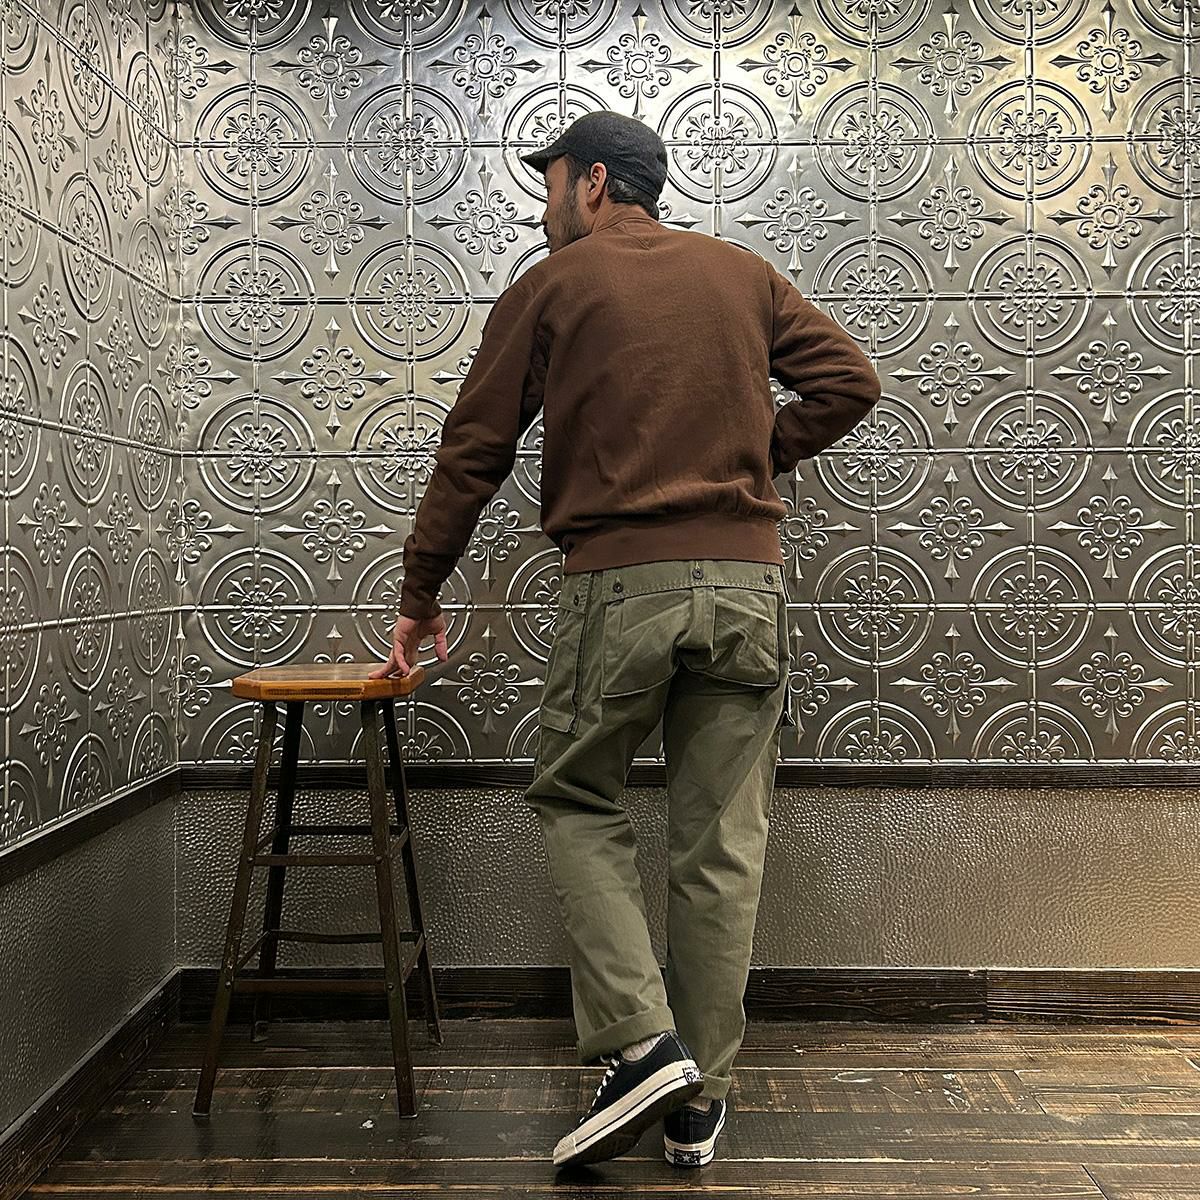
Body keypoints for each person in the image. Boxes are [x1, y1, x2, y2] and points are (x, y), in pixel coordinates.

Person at [368, 110, 881, 1170]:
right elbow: (851, 382)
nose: (544, 207)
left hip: (621, 587)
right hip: (747, 588)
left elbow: (474, 451)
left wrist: (420, 592)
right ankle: (699, 1103)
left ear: (594, 182)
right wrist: (758, 457)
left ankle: (643, 1045)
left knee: (575, 796)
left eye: (551, 182)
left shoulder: (552, 286)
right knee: (720, 843)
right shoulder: (743, 274)